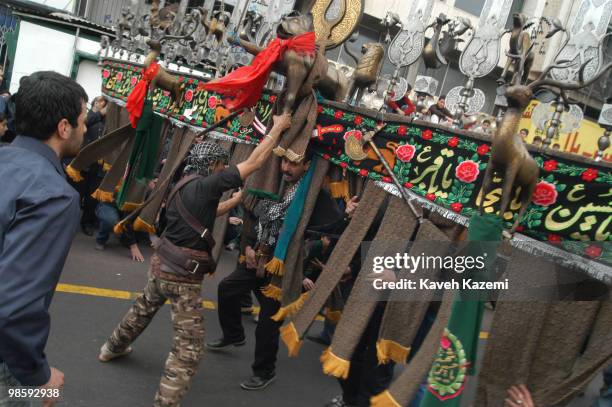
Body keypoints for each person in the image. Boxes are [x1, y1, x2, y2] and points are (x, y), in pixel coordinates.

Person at [98, 114, 292, 407]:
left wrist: (234, 203)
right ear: (213, 166)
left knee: (141, 311)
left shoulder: (186, 184)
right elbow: (254, 163)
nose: (224, 169)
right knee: (188, 347)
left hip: (162, 265)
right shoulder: (209, 183)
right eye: (221, 165)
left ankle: (111, 348)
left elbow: (204, 215)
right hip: (182, 277)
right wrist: (277, 127)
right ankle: (166, 401)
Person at [207, 151, 357, 390]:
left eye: (293, 163)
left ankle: (264, 371)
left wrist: (346, 216)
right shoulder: (273, 184)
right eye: (284, 161)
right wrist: (249, 247)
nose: (285, 168)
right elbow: (253, 217)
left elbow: (330, 232)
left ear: (307, 165)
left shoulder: (314, 197)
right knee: (227, 289)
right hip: (257, 260)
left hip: (281, 270)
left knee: (268, 324)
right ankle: (234, 334)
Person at [0, 71, 88, 406]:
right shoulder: (54, 196)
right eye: (82, 120)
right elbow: (12, 306)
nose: (85, 129)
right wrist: (39, 376)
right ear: (63, 128)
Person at [80, 96, 109, 236]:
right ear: (96, 103)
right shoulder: (89, 115)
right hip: (83, 163)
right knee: (77, 193)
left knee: (92, 197)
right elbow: (86, 122)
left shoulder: (108, 121)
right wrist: (100, 113)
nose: (104, 105)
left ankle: (87, 222)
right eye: (101, 102)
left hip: (98, 166)